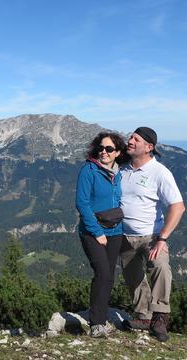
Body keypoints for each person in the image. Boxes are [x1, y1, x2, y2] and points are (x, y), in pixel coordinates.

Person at [119, 127, 185, 342]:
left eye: (135, 139)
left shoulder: (160, 172)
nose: (130, 141)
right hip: (124, 236)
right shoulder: (122, 169)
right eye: (130, 137)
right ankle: (143, 317)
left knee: (160, 267)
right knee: (133, 277)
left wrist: (163, 238)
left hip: (152, 236)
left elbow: (178, 206)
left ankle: (160, 316)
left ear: (149, 147)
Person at [75, 132, 128, 338]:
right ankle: (96, 323)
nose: (103, 152)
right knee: (103, 273)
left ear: (118, 153)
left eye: (109, 149)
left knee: (109, 277)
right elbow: (82, 203)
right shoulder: (89, 170)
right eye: (101, 148)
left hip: (115, 230)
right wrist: (97, 232)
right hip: (92, 231)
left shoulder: (120, 172)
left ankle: (102, 317)